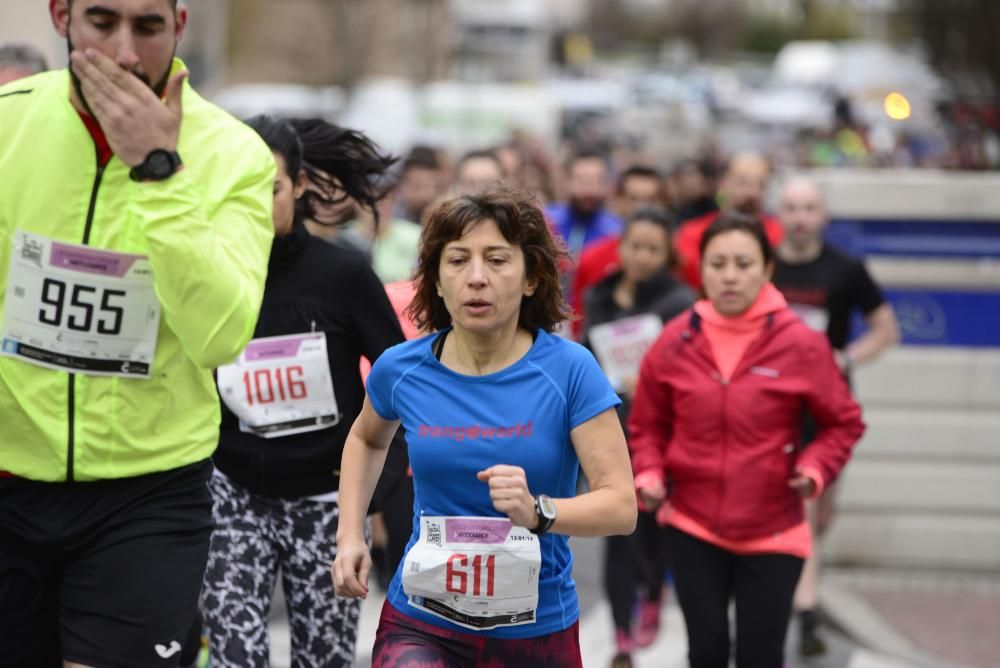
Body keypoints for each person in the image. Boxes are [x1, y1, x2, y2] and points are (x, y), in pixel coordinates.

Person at [0, 1, 275, 666]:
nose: (124, 54)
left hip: (147, 490)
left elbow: (220, 336)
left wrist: (158, 169)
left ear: (180, 26)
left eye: (148, 27)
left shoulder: (235, 153)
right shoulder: (9, 120)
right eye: (102, 22)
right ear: (61, 15)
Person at [332, 184, 637, 667]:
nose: (476, 278)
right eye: (457, 261)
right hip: (423, 619)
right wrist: (351, 533)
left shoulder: (569, 370)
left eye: (496, 260)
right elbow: (366, 438)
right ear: (433, 278)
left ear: (532, 277)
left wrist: (540, 512)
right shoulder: (401, 368)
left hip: (536, 628)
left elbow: (622, 506)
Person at [198, 116, 405, 667]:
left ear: (298, 187)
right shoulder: (210, 273)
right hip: (234, 497)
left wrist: (372, 493)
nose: (253, 204)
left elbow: (401, 383)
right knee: (234, 657)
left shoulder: (343, 275)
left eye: (268, 189)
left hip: (327, 503)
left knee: (325, 659)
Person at [628, 212, 866, 668]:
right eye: (718, 264)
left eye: (743, 263)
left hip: (773, 530)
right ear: (701, 269)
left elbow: (843, 423)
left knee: (761, 656)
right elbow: (646, 425)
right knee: (708, 651)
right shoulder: (675, 340)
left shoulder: (803, 344)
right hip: (693, 524)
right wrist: (651, 471)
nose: (730, 276)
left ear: (767, 269)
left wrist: (814, 469)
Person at [773, 177, 900, 656]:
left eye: (809, 208)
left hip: (828, 409)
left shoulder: (846, 269)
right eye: (791, 207)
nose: (800, 217)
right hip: (775, 407)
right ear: (780, 214)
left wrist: (848, 357)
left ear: (823, 216)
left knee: (819, 512)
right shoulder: (762, 267)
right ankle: (805, 610)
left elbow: (886, 328)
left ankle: (804, 575)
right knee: (800, 506)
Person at [580, 208, 694, 668]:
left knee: (650, 531)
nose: (643, 257)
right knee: (616, 533)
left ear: (666, 254)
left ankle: (652, 591)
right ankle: (622, 636)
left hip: (660, 434)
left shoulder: (679, 301)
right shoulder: (598, 297)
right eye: (636, 246)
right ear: (621, 247)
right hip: (609, 430)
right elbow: (586, 354)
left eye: (653, 249)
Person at [570, 165, 668, 338]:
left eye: (650, 199)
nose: (642, 207)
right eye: (633, 198)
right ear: (619, 200)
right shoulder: (592, 257)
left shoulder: (679, 258)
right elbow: (579, 323)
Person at [673, 152, 784, 290]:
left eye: (760, 184)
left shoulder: (780, 234)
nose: (752, 193)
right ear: (723, 183)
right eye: (742, 182)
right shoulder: (691, 234)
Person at [545, 150, 623, 261]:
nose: (588, 190)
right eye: (581, 181)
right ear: (566, 181)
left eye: (596, 181)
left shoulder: (616, 231)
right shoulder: (546, 221)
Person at [395, 145, 447, 225]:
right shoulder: (393, 221)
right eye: (416, 186)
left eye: (428, 186)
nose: (424, 195)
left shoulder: (445, 220)